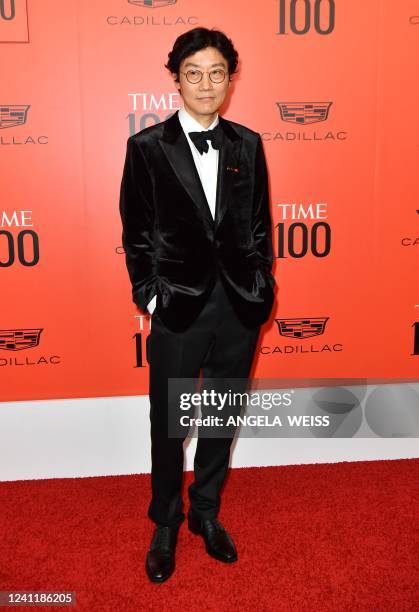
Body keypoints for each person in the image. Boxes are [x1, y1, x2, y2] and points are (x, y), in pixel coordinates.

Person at [119, 26, 276, 583]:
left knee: (221, 418)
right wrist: (151, 293)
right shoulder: (146, 148)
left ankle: (205, 513)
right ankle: (165, 521)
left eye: (217, 73)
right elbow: (136, 233)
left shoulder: (248, 144)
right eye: (194, 73)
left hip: (238, 307)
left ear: (230, 80)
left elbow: (258, 226)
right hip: (178, 308)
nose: (206, 84)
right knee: (170, 423)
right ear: (176, 79)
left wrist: (260, 284)